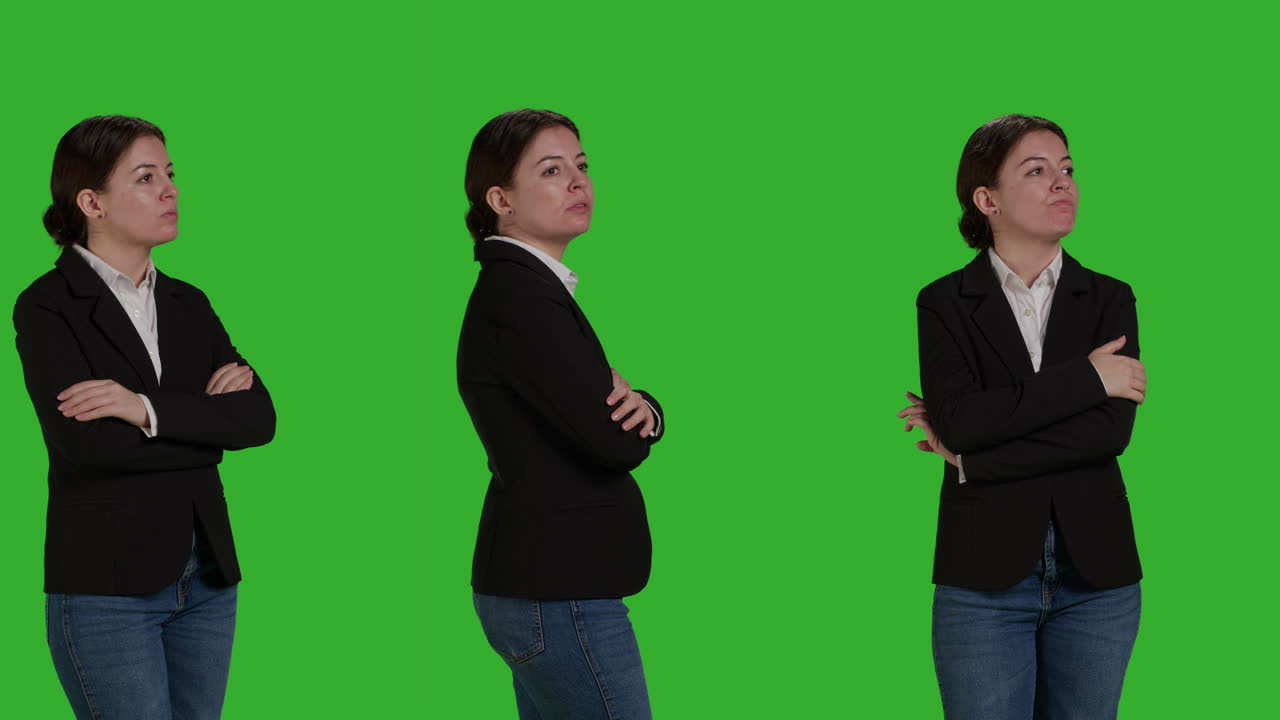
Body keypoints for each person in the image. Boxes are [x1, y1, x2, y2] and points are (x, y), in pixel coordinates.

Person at [14, 115, 276, 719]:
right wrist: (206, 421)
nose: (170, 189)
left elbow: (258, 420)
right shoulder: (48, 306)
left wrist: (143, 409)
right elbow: (93, 449)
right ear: (92, 202)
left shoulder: (188, 303)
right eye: (146, 177)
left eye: (170, 174)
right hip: (109, 589)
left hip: (207, 578)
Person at [897, 114, 1146, 719]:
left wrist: (973, 460)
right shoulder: (944, 303)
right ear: (988, 200)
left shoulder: (1110, 297)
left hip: (1099, 579)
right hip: (981, 579)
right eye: (1036, 171)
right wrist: (1088, 377)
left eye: (1066, 168)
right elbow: (961, 421)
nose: (1062, 182)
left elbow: (1106, 434)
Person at [457, 109, 666, 719]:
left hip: (544, 588)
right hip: (559, 592)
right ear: (502, 200)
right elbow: (615, 442)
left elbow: (610, 420)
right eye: (551, 170)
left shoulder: (528, 291)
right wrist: (644, 415)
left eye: (582, 165)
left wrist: (646, 406)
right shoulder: (522, 298)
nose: (578, 182)